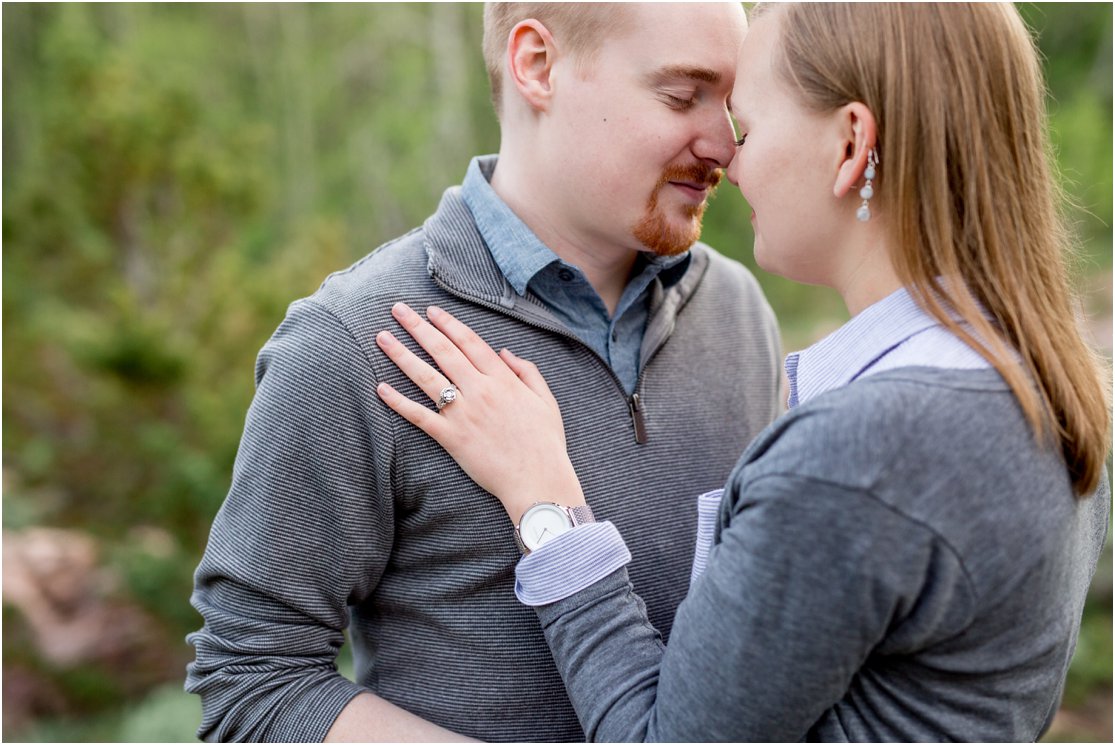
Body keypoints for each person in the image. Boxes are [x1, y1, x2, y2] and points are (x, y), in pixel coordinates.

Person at [375, 2, 1112, 741]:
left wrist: (546, 502)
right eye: (682, 98)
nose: (730, 154)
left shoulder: (857, 452)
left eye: (748, 125)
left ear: (852, 143)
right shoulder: (1035, 384)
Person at [186, 2, 782, 742]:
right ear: (537, 65)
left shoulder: (738, 312)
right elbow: (251, 682)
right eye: (681, 96)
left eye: (730, 102)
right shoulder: (350, 341)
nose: (724, 143)